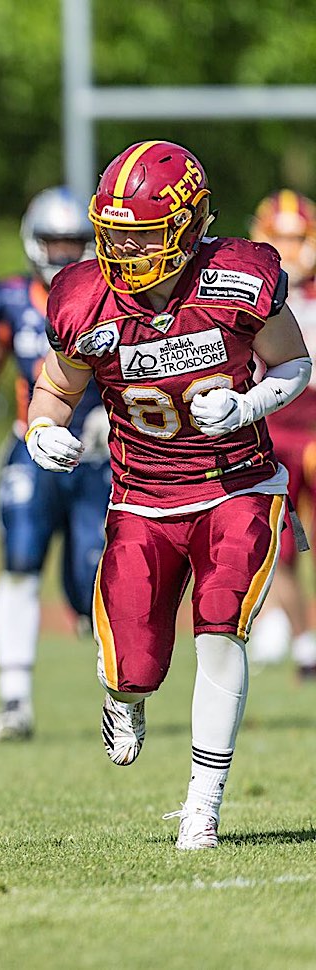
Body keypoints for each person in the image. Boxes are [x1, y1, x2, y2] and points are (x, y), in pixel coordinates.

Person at [27, 141, 310, 849]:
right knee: (134, 670)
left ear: (188, 226)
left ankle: (203, 805)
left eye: (142, 234)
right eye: (114, 230)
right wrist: (40, 429)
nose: (123, 248)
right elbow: (57, 388)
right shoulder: (81, 294)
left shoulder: (240, 276)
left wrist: (249, 406)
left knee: (221, 625)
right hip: (142, 496)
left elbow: (294, 361)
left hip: (235, 482)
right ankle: (123, 700)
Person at [0, 187, 109, 742]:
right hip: (33, 447)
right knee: (19, 561)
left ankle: (118, 693)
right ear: (32, 241)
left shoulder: (111, 296)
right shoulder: (9, 299)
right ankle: (14, 699)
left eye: (73, 243)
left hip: (98, 455)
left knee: (93, 576)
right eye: (53, 242)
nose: (63, 254)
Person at [242, 191, 316, 677]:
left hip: (314, 422)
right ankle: (303, 638)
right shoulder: (248, 293)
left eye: (297, 238)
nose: (288, 248)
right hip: (270, 425)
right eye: (279, 238)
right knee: (281, 542)